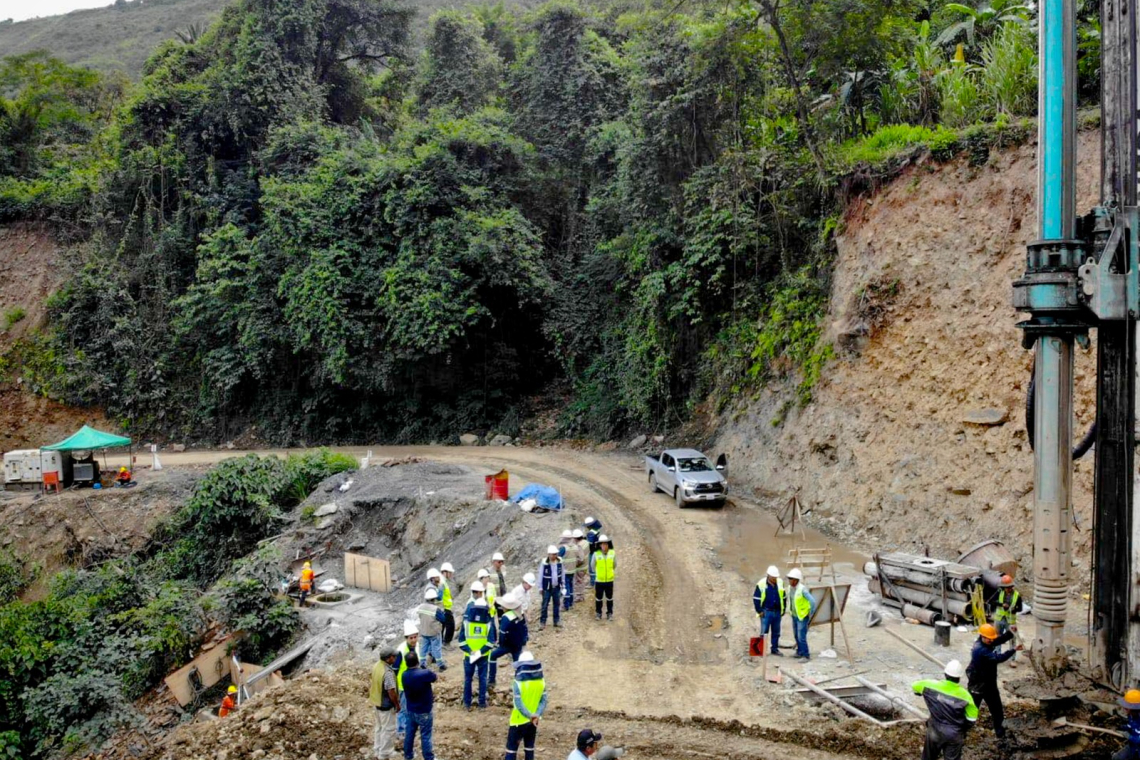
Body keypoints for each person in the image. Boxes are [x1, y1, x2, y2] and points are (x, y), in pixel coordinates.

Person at [913, 660, 977, 760]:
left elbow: (914, 686)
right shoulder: (966, 696)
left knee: (928, 757)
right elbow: (971, 720)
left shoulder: (930, 685)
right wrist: (961, 729)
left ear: (945, 674)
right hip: (954, 734)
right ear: (959, 678)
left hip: (934, 730)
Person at [967, 622, 1019, 740]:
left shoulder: (984, 642)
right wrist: (1013, 649)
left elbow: (997, 641)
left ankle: (1000, 735)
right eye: (989, 639)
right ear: (983, 637)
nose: (991, 641)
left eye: (991, 639)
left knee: (997, 711)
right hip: (978, 685)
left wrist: (1010, 633)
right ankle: (961, 732)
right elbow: (998, 658)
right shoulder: (980, 650)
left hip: (989, 684)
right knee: (971, 710)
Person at [505, 651, 547, 760]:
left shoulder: (518, 683)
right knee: (529, 749)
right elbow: (543, 700)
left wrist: (529, 715)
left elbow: (518, 704)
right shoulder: (541, 681)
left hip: (518, 721)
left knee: (511, 750)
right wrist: (536, 715)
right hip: (534, 721)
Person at [459, 597, 496, 710]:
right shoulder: (488, 623)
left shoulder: (466, 623)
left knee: (468, 679)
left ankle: (467, 704)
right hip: (483, 656)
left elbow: (461, 642)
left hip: (468, 656)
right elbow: (491, 642)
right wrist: (480, 652)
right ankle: (482, 704)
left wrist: (471, 651)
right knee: (482, 679)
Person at [401, 652, 438, 760]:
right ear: (417, 661)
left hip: (411, 710)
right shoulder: (424, 674)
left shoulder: (404, 675)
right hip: (424, 710)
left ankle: (408, 756)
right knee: (426, 735)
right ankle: (428, 758)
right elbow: (435, 677)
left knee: (409, 734)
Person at [489, 593, 526, 689]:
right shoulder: (520, 613)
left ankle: (492, 680)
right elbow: (524, 627)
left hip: (507, 644)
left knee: (492, 656)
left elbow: (502, 632)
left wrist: (501, 644)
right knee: (518, 663)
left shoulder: (506, 617)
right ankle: (519, 682)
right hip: (518, 644)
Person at [370, 646, 401, 759]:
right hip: (386, 705)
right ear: (388, 659)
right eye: (394, 656)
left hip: (377, 702)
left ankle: (377, 749)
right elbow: (391, 692)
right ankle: (385, 753)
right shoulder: (387, 672)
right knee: (388, 729)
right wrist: (397, 704)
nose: (395, 658)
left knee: (379, 728)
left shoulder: (377, 666)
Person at [752, 566, 785, 656]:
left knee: (776, 632)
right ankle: (759, 651)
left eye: (776, 577)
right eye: (773, 578)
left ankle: (774, 649)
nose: (775, 579)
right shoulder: (761, 584)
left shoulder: (780, 582)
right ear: (768, 576)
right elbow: (756, 598)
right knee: (763, 632)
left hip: (777, 611)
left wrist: (783, 609)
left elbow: (784, 597)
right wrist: (759, 611)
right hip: (766, 612)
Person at [786, 568, 817, 660]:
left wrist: (810, 612)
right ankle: (799, 652)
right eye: (789, 578)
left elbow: (812, 601)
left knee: (801, 636)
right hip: (794, 615)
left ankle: (806, 655)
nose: (789, 580)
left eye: (791, 579)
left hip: (802, 617)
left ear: (796, 580)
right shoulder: (790, 588)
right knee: (796, 635)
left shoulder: (802, 589)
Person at [993, 575, 1024, 668]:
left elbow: (1020, 608)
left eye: (1010, 587)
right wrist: (1002, 604)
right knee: (997, 638)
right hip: (999, 619)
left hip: (1010, 621)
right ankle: (997, 656)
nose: (1008, 589)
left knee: (1012, 639)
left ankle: (1012, 659)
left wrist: (1015, 609)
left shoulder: (1017, 595)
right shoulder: (999, 592)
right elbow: (993, 602)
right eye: (1006, 588)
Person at [395, 620, 419, 738]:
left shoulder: (417, 646)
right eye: (411, 638)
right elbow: (395, 668)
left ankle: (410, 726)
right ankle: (401, 730)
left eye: (415, 637)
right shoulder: (401, 650)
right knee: (403, 708)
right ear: (406, 638)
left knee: (412, 707)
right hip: (402, 684)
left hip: (413, 683)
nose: (414, 640)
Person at [417, 588, 448, 671]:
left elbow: (419, 616)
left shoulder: (421, 607)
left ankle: (422, 663)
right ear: (433, 599)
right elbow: (443, 619)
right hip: (434, 632)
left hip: (424, 632)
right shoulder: (435, 609)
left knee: (423, 648)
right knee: (436, 648)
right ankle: (440, 665)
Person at [539, 545, 565, 629]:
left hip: (556, 587)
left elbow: (562, 573)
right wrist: (540, 587)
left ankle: (556, 621)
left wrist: (563, 585)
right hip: (547, 588)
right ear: (549, 554)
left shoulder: (560, 562)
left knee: (556, 604)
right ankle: (542, 622)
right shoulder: (544, 563)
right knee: (544, 605)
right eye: (552, 554)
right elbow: (540, 575)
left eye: (555, 554)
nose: (554, 556)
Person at [591, 535, 615, 621]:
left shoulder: (612, 553)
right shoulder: (596, 554)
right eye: (602, 544)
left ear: (608, 544)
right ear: (600, 545)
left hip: (609, 580)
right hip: (599, 581)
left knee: (609, 598)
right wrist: (598, 574)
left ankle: (610, 613)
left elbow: (614, 565)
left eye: (606, 544)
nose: (604, 546)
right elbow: (592, 566)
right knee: (598, 598)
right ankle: (598, 613)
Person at [1114, 689, 1140, 760]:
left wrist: (1129, 736)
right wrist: (1122, 727)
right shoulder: (1132, 715)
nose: (1124, 708)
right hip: (1134, 746)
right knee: (1117, 758)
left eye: (1127, 707)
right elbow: (1132, 726)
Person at [439, 562, 457, 646]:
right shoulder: (442, 582)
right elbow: (440, 596)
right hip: (445, 608)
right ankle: (446, 643)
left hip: (445, 608)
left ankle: (442, 643)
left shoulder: (443, 581)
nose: (451, 574)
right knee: (450, 626)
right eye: (450, 572)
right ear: (445, 572)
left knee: (443, 626)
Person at [559, 531, 577, 610]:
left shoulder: (563, 548)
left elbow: (558, 558)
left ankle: (566, 605)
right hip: (572, 570)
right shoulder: (575, 547)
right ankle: (571, 603)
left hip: (565, 570)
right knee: (571, 586)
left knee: (566, 588)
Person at [584, 517, 602, 587]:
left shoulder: (590, 533)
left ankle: (592, 583)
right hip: (598, 550)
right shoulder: (596, 531)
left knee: (592, 567)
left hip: (592, 552)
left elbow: (590, 543)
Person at [572, 530, 589, 603]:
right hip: (585, 566)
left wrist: (574, 564)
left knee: (578, 582)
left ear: (576, 538)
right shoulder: (586, 542)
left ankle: (579, 597)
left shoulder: (579, 546)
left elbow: (580, 559)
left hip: (580, 567)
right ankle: (581, 595)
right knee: (581, 581)